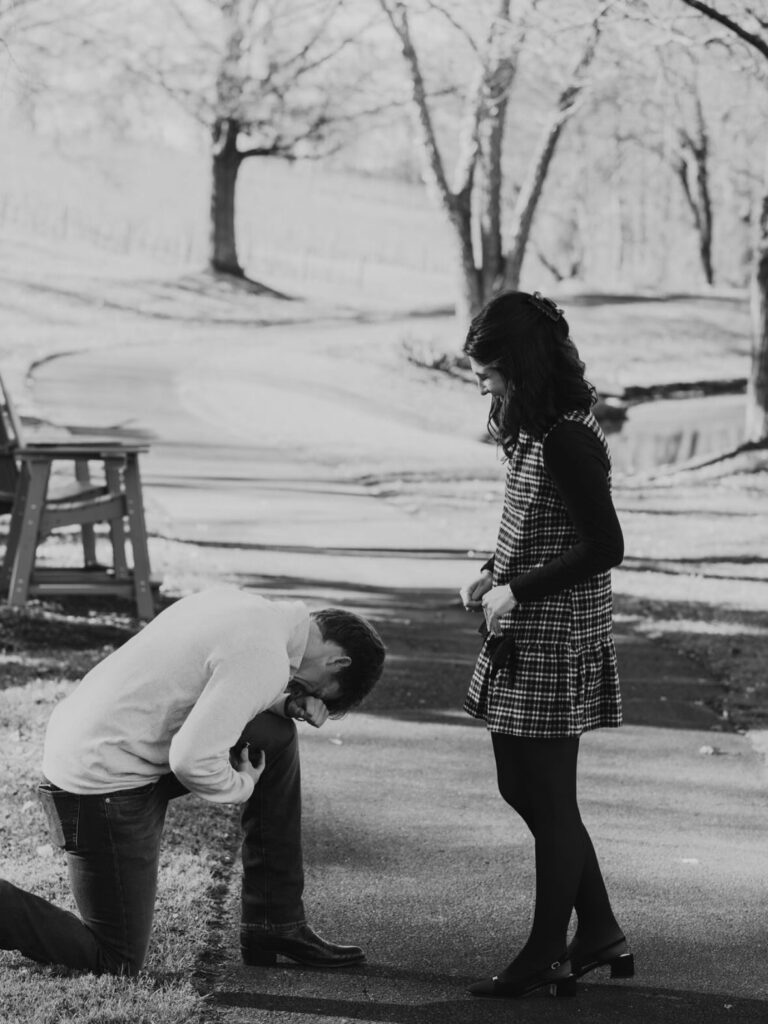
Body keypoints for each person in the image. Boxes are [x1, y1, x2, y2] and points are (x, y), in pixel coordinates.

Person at [0, 586, 386, 976]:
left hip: (93, 749)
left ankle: (274, 923)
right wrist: (242, 785)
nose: (300, 689)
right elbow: (190, 760)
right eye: (314, 689)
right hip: (100, 786)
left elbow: (224, 678)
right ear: (339, 661)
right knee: (116, 960)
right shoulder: (266, 655)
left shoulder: (244, 608)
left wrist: (286, 704)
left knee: (276, 736)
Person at [458, 291, 632, 1000]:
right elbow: (536, 522)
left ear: (521, 365)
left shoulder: (568, 436)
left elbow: (605, 545)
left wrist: (519, 591)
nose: (482, 381)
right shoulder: (530, 425)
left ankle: (546, 951)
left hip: (555, 636)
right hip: (522, 627)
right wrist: (490, 573)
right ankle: (598, 931)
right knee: (520, 786)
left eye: (490, 369)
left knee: (551, 798)